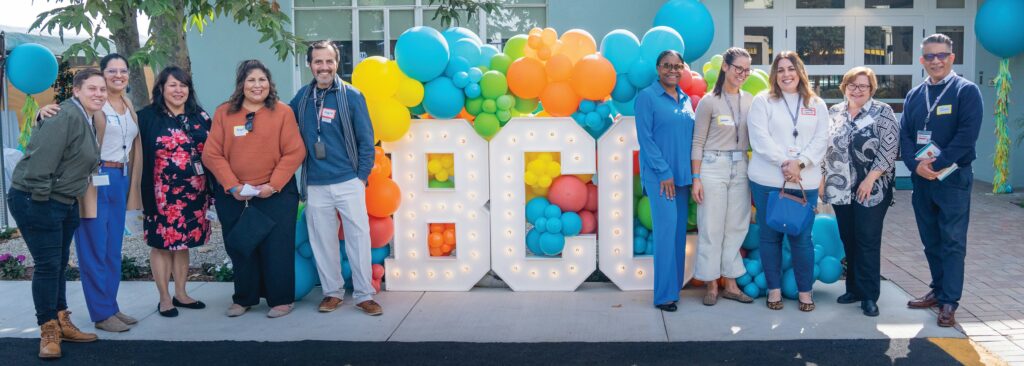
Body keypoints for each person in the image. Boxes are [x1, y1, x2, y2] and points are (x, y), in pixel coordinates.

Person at [36, 54, 143, 332]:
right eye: (112, 71)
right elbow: (62, 116)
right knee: (94, 248)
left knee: (112, 250)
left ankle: (111, 305)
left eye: (123, 70)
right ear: (102, 74)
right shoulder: (93, 102)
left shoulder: (127, 104)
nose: (118, 75)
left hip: (119, 178)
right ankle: (101, 312)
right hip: (93, 180)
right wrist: (41, 113)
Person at [9, 68, 103, 359]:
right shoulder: (64, 115)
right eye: (92, 89)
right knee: (48, 265)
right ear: (76, 90)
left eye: (102, 89)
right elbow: (38, 166)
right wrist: (43, 204)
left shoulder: (86, 117)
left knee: (59, 264)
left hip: (63, 201)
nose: (98, 94)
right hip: (37, 200)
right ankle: (47, 330)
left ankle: (62, 320)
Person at [203, 60, 306, 318]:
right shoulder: (224, 113)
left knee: (277, 247)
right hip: (236, 195)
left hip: (275, 194)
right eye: (251, 80)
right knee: (241, 247)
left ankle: (281, 299)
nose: (257, 85)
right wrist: (232, 185)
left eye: (262, 80)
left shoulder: (283, 112)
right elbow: (211, 154)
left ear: (269, 84)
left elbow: (295, 151)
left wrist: (273, 185)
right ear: (241, 85)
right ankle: (244, 298)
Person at [289, 40, 381, 315]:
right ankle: (332, 293)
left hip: (348, 181)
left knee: (359, 238)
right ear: (310, 65)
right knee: (323, 241)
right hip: (316, 184)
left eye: (329, 61)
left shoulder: (352, 95)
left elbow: (367, 140)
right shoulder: (301, 99)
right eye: (318, 61)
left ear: (336, 63)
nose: (324, 67)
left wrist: (361, 178)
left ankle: (365, 294)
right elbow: (282, 126)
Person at [900, 34, 983, 328]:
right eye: (930, 56)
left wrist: (936, 163)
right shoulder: (914, 94)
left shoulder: (966, 91)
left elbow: (966, 136)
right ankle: (937, 290)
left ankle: (949, 302)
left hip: (953, 178)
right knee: (930, 240)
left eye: (941, 55)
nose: (935, 61)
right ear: (922, 60)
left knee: (952, 241)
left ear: (952, 57)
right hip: (923, 180)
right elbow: (906, 136)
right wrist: (915, 166)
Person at [747, 51, 829, 312]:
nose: (786, 74)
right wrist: (785, 163)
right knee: (770, 237)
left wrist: (800, 163)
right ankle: (774, 290)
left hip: (804, 181)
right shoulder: (763, 101)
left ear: (800, 72)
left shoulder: (816, 104)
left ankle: (805, 291)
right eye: (780, 70)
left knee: (802, 238)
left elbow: (822, 139)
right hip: (768, 180)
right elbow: (759, 139)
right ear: (774, 74)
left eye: (791, 69)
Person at [821, 67, 899, 317]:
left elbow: (889, 150)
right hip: (840, 188)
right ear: (844, 87)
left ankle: (869, 295)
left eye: (863, 86)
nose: (857, 90)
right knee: (848, 238)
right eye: (852, 85)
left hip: (872, 189)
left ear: (871, 89)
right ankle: (853, 288)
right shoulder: (835, 112)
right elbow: (826, 147)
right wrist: (823, 178)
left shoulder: (882, 112)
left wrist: (870, 179)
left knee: (867, 239)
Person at [137, 67, 213, 317]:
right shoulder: (146, 117)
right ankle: (164, 298)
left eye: (183, 85)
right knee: (161, 245)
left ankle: (181, 293)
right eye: (173, 85)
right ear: (161, 88)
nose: (179, 90)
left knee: (183, 245)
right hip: (162, 195)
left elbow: (213, 150)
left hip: (194, 194)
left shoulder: (200, 116)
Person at [691, 47, 755, 306]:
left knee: (737, 226)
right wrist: (696, 177)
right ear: (726, 67)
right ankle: (710, 283)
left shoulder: (751, 100)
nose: (743, 73)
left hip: (741, 167)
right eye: (738, 68)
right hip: (712, 165)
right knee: (710, 226)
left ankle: (730, 282)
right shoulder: (709, 101)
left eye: (747, 69)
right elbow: (697, 142)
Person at [634, 49, 694, 312]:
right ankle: (664, 295)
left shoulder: (685, 99)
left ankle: (675, 288)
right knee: (666, 234)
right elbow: (645, 140)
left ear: (683, 69)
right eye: (667, 65)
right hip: (662, 179)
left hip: (683, 178)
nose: (672, 70)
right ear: (658, 69)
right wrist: (664, 172)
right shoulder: (647, 97)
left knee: (679, 234)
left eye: (677, 66)